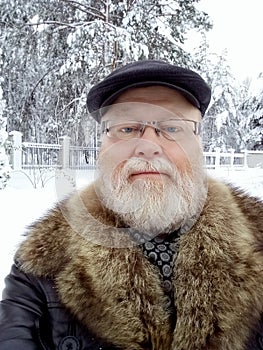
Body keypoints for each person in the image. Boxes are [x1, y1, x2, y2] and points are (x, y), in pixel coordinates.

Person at [0, 60, 263, 350]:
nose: (148, 146)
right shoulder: (43, 264)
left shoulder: (259, 240)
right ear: (103, 149)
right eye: (127, 128)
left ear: (198, 146)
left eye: (172, 127)